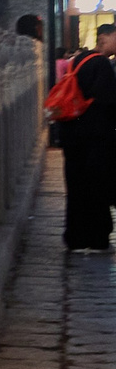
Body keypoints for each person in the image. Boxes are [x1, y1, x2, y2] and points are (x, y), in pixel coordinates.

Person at [65, 23, 116, 251]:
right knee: (97, 185)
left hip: (72, 132)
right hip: (95, 135)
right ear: (105, 38)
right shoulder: (102, 64)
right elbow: (107, 101)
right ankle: (96, 237)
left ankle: (75, 237)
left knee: (76, 185)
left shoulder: (77, 61)